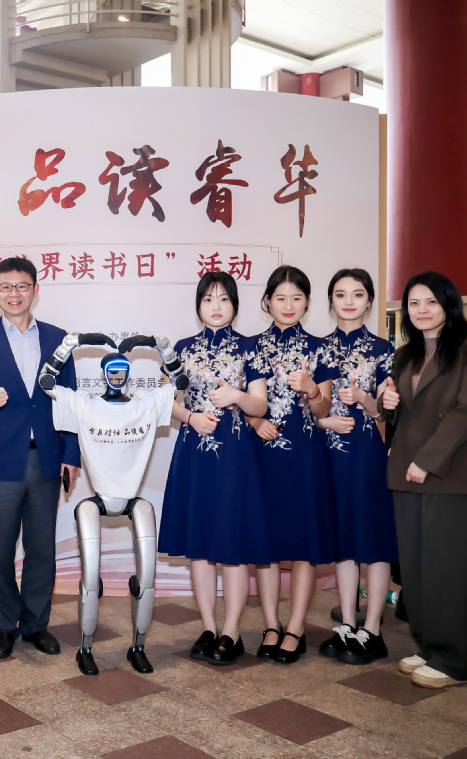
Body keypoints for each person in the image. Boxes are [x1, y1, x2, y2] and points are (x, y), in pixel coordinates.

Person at [43, 333, 186, 675]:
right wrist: (68, 346)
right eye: (113, 370)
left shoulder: (145, 404)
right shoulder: (85, 404)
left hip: (133, 498)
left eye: (123, 370)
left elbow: (180, 382)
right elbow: (47, 383)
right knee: (90, 579)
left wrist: (164, 348)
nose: (118, 376)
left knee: (146, 579)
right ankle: (85, 647)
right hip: (98, 497)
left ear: (129, 374)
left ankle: (138, 646)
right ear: (104, 374)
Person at [0, 256, 80, 659]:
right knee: (0, 549)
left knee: (42, 548)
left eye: (22, 286)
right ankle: (2, 626)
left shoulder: (59, 339)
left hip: (46, 458)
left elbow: (71, 402)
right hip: (0, 462)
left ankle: (35, 625)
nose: (15, 294)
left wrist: (71, 453)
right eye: (6, 286)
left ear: (35, 290)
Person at [380, 270, 467, 689]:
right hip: (406, 473)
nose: (421, 310)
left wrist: (426, 461)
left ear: (448, 305)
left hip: (448, 473)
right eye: (413, 303)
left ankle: (452, 660)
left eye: (431, 302)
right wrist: (388, 403)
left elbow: (466, 412)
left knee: (447, 569)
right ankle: (428, 646)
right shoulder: (403, 355)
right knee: (417, 570)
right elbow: (399, 414)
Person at [160, 271, 271, 666]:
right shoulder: (182, 349)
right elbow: (166, 402)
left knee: (232, 547)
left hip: (236, 459)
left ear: (235, 305)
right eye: (208, 299)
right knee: (200, 546)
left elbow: (260, 405)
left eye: (224, 298)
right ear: (198, 305)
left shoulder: (251, 347)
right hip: (195, 456)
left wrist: (236, 396)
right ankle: (208, 627)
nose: (216, 306)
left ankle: (232, 632)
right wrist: (190, 417)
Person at [249, 265, 338, 664]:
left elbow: (324, 409)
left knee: (303, 545)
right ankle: (271, 624)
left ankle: (297, 627)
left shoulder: (321, 349)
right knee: (265, 544)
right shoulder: (251, 347)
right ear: (267, 301)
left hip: (305, 458)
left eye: (297, 298)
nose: (288, 305)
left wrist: (313, 389)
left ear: (307, 302)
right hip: (261, 457)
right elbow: (243, 403)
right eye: (280, 297)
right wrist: (256, 422)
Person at [317, 268, 397, 665]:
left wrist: (364, 398)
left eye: (358, 294)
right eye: (341, 294)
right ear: (331, 301)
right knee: (344, 541)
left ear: (369, 301)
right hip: (329, 457)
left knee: (374, 542)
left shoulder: (383, 350)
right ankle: (348, 624)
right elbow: (306, 408)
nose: (349, 301)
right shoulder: (318, 349)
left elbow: (385, 412)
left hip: (367, 456)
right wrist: (324, 421)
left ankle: (374, 629)